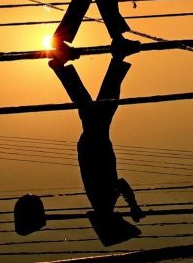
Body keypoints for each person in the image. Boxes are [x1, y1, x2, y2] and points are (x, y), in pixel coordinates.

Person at [48, 53, 145, 246]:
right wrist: (132, 205)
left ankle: (115, 58)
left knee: (103, 103)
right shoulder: (102, 203)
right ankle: (61, 66)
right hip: (92, 144)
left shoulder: (103, 202)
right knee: (94, 105)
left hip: (95, 144)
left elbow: (121, 184)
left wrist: (133, 206)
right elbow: (119, 184)